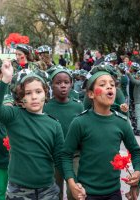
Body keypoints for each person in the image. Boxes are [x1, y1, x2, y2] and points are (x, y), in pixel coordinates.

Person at [62, 67, 140, 200]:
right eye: (102, 84)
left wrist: (138, 172)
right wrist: (72, 183)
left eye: (112, 84)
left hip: (114, 193)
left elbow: (135, 151)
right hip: (86, 193)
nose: (110, 87)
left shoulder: (121, 122)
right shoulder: (79, 123)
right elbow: (65, 155)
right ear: (91, 94)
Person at [0, 60, 64, 200]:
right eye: (28, 93)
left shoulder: (54, 125)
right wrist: (5, 79)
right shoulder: (14, 115)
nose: (34, 97)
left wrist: (73, 181)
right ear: (20, 97)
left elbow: (60, 159)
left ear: (46, 94)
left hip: (48, 190)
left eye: (38, 91)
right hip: (18, 190)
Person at [44, 66, 84, 200]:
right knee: (55, 192)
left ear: (71, 84)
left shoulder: (78, 106)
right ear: (51, 85)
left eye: (66, 82)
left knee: (74, 192)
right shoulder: (46, 107)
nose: (63, 86)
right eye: (58, 83)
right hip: (54, 157)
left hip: (74, 155)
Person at [126, 69, 140, 136]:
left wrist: (128, 74)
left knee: (139, 117)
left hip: (139, 102)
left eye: (138, 75)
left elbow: (133, 80)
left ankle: (138, 130)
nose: (137, 76)